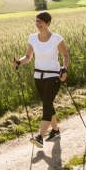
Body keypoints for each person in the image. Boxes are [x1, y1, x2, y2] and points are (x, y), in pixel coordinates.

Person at [13, 11, 70, 148]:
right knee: (48, 103)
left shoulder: (57, 38)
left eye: (40, 21)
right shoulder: (32, 38)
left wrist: (64, 69)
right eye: (36, 21)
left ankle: (40, 136)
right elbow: (28, 57)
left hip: (53, 76)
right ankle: (55, 130)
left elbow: (66, 56)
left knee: (46, 103)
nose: (37, 24)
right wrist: (19, 62)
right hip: (38, 76)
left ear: (47, 23)